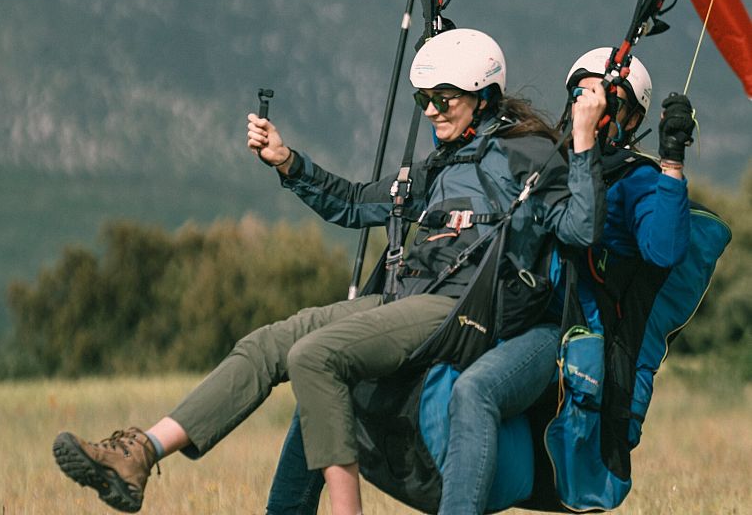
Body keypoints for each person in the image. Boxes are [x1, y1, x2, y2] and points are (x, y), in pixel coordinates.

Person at [51, 28, 608, 515]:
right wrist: (289, 162)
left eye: (444, 98)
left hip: (465, 309)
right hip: (406, 298)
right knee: (272, 342)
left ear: (484, 98)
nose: (432, 110)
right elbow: (358, 204)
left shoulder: (531, 153)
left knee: (315, 356)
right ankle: (141, 453)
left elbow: (581, 230)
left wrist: (582, 142)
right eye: (424, 99)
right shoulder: (444, 161)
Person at [263, 48, 695, 515]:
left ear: (633, 119)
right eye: (580, 96)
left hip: (562, 330)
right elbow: (362, 202)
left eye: (610, 103)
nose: (592, 109)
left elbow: (661, 248)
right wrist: (290, 163)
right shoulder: (542, 157)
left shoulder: (636, 180)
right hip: (496, 310)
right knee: (326, 369)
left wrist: (671, 159)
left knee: (476, 390)